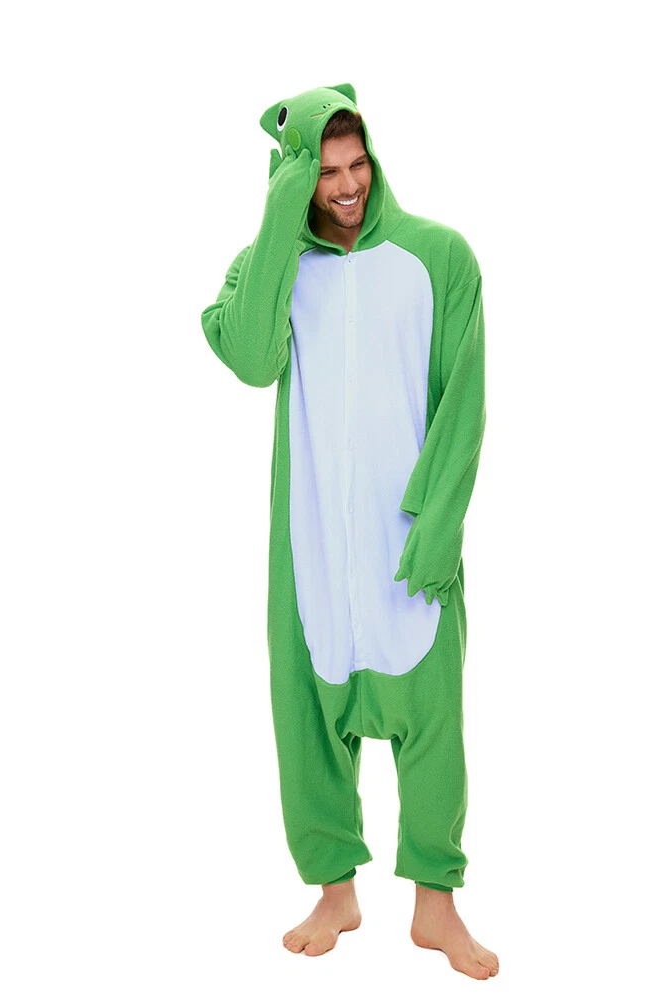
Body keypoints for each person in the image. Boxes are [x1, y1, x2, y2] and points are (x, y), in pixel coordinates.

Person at [200, 83, 497, 980]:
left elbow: (463, 403)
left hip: (408, 545)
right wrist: (279, 213)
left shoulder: (437, 257)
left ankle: (436, 908)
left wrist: (439, 527)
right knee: (308, 722)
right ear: (293, 177)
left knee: (433, 723)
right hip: (314, 548)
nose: (346, 185)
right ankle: (336, 892)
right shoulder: (275, 273)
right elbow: (249, 358)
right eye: (323, 171)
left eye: (356, 163)